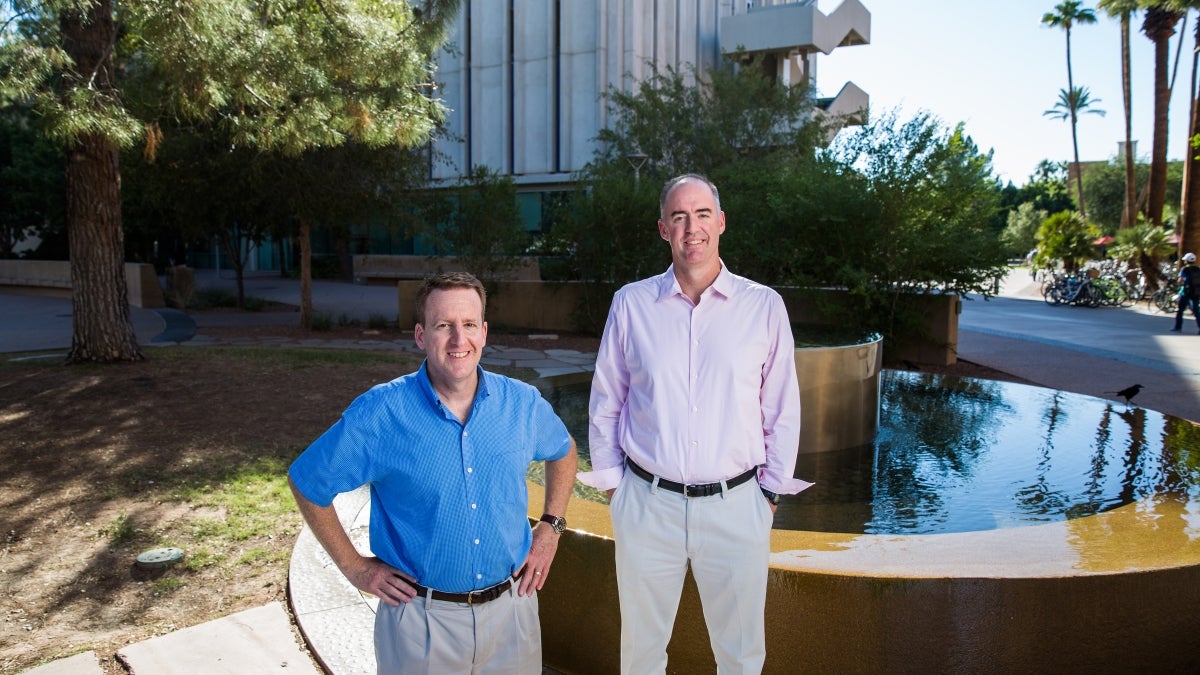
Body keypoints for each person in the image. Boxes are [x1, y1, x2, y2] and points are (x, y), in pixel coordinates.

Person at [578, 173, 811, 673]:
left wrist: (766, 495)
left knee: (741, 655)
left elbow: (782, 409)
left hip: (736, 506)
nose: (692, 228)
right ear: (663, 228)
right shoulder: (631, 304)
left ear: (721, 222)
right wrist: (618, 491)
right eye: (679, 216)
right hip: (647, 504)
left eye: (702, 214)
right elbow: (605, 402)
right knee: (640, 654)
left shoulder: (764, 306)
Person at [288, 271, 578, 674]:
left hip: (513, 616)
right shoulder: (381, 414)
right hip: (421, 625)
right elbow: (307, 482)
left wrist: (551, 526)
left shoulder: (522, 404)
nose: (460, 340)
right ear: (422, 336)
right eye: (445, 326)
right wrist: (354, 566)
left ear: (484, 331)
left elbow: (563, 451)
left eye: (469, 325)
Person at [1171, 252, 1200, 333]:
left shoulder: (1184, 269)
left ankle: (1178, 327)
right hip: (1196, 292)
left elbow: (1180, 281)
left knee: (1180, 310)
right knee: (1196, 310)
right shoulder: (1198, 269)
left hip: (1186, 292)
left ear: (1186, 261)